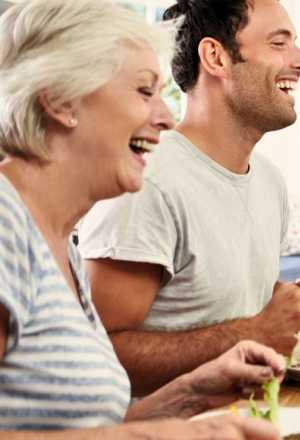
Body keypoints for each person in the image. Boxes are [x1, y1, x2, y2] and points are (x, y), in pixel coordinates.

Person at [78, 0, 300, 395]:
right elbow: (101, 353)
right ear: (216, 56)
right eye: (279, 43)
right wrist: (257, 332)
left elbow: (237, 299)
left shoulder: (269, 181)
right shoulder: (148, 182)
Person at [0, 0, 282, 437]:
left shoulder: (60, 243)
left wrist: (190, 394)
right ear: (60, 100)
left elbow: (85, 426)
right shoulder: (5, 223)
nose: (166, 118)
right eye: (144, 91)